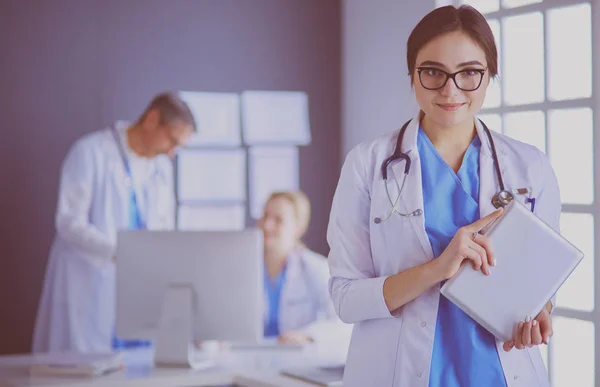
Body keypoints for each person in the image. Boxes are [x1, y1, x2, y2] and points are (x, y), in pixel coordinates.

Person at [326, 5, 559, 387]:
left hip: (501, 374)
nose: (450, 90)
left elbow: (541, 284)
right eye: (433, 71)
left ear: (490, 76)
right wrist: (437, 269)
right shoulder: (367, 165)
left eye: (469, 72)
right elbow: (346, 297)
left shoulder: (530, 167)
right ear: (412, 77)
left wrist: (539, 314)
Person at [33, 92, 196, 353]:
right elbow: (68, 221)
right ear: (152, 120)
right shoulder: (90, 152)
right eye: (172, 141)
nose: (172, 152)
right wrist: (119, 252)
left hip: (138, 288)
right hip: (91, 284)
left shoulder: (161, 169)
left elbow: (165, 227)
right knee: (88, 366)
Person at [258, 191, 350, 347]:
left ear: (298, 228)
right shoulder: (244, 269)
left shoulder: (316, 268)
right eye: (265, 217)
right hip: (248, 356)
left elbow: (343, 320)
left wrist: (307, 335)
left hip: (296, 360)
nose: (267, 226)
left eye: (278, 220)